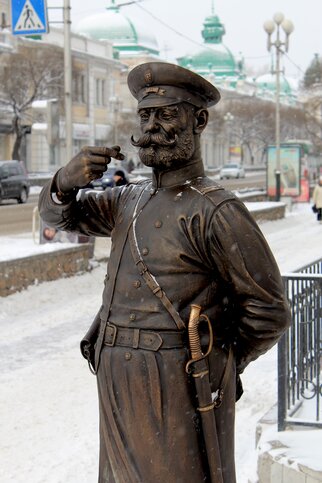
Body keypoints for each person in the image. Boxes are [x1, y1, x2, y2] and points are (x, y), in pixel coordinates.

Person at [38, 62, 291, 483]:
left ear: (200, 120)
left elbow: (268, 311)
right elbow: (60, 218)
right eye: (145, 115)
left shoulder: (216, 210)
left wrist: (216, 363)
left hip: (173, 383)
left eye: (167, 114)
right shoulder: (126, 201)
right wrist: (64, 180)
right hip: (116, 373)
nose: (152, 126)